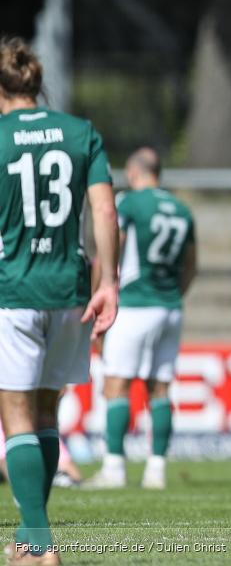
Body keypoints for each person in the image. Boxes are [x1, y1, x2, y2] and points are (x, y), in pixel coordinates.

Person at [0, 36, 119, 565]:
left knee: (16, 417)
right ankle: (30, 538)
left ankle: (40, 544)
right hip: (70, 291)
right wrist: (108, 282)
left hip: (14, 288)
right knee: (47, 414)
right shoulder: (80, 132)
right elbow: (105, 212)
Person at [85, 147, 196, 490]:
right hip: (170, 307)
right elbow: (191, 265)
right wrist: (173, 295)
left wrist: (99, 294)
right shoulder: (182, 209)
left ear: (133, 173)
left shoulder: (129, 203)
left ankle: (114, 468)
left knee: (116, 383)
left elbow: (109, 250)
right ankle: (156, 470)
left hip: (133, 304)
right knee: (159, 388)